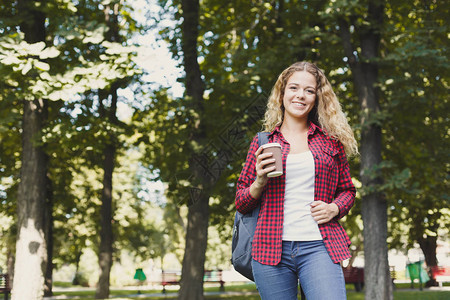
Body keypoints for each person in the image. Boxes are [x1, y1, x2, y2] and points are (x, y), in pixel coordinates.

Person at [235, 61, 358, 299]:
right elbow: (241, 201)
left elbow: (348, 191)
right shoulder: (263, 142)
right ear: (282, 93)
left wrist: (334, 208)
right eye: (293, 88)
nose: (300, 95)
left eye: (309, 90)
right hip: (270, 249)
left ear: (317, 97)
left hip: (319, 246)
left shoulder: (331, 142)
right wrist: (259, 182)